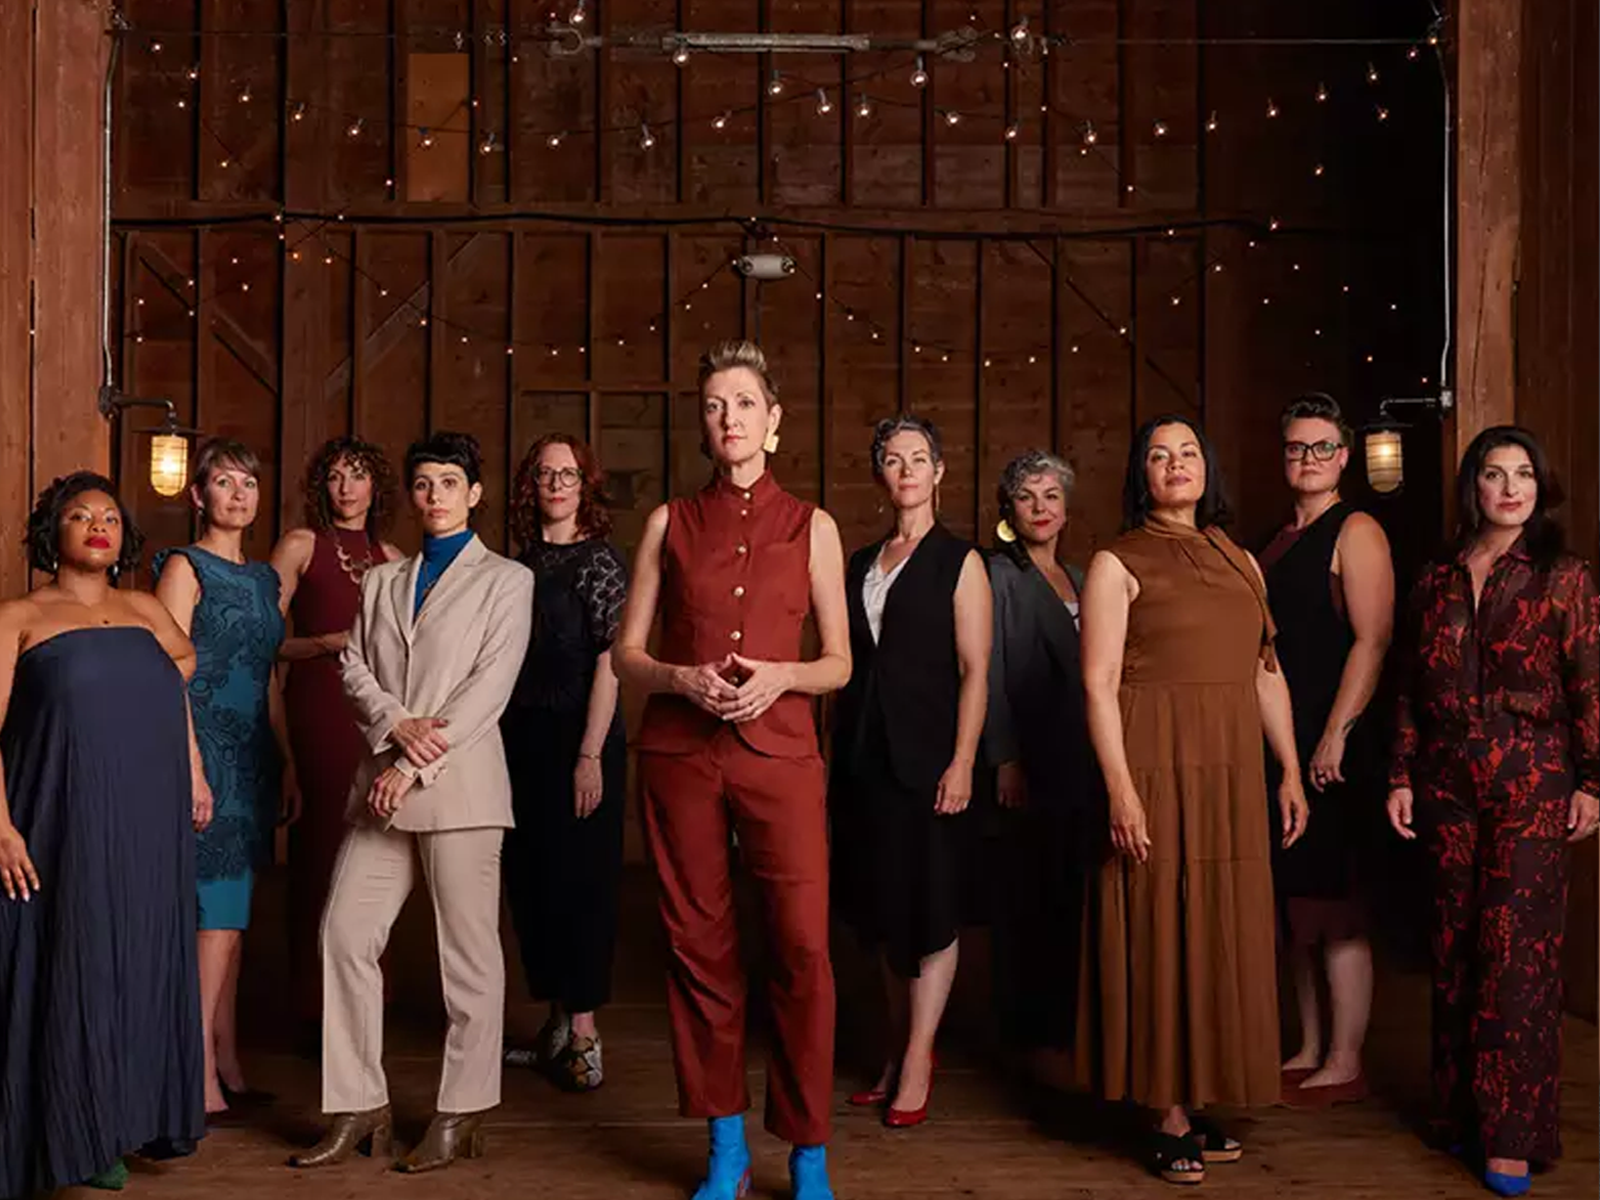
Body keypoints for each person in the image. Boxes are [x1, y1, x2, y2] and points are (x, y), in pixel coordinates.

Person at [613, 339, 850, 1200]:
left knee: (803, 948)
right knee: (699, 947)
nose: (729, 418)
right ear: (704, 426)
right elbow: (627, 655)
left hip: (783, 756)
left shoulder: (813, 526)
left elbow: (839, 663)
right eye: (715, 406)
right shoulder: (667, 523)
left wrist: (782, 677)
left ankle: (808, 1150)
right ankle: (726, 1149)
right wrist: (680, 678)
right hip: (682, 757)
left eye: (745, 403)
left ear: (773, 420)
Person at [1076, 414, 1308, 1185]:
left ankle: (1198, 1088)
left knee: (1217, 923)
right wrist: (1120, 790)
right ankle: (1164, 1110)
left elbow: (1265, 672)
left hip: (1230, 769)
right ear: (1140, 475)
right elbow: (1097, 685)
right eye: (1158, 455)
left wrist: (1289, 769)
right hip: (1154, 760)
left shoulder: (1240, 558)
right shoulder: (1116, 561)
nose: (1175, 464)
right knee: (1157, 923)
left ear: (1207, 468)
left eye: (1187, 453)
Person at [293, 431, 533, 1173]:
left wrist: (410, 762)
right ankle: (358, 1102)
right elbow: (353, 666)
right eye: (424, 483)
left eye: (449, 483)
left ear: (474, 494)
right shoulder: (382, 580)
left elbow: (488, 691)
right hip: (383, 785)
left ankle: (462, 1110)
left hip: (460, 790)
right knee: (344, 935)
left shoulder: (507, 581)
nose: (434, 496)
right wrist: (394, 728)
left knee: (467, 958)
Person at [1387, 425, 1597, 1198]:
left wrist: (1593, 781)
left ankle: (1513, 1136)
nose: (1510, 489)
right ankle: (1458, 1112)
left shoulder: (1563, 576)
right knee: (1453, 947)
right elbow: (1408, 682)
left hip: (1533, 777)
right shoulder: (1435, 576)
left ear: (1541, 487)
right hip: (1446, 778)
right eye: (1494, 474)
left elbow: (1590, 682)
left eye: (1523, 475)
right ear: (1472, 486)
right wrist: (1400, 772)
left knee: (1517, 956)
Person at [0, 473, 210, 1194]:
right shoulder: (19, 616)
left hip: (149, 813)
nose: (99, 525)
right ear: (52, 532)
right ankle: (74, 1133)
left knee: (141, 958)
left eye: (111, 518)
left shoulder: (146, 608)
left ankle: (126, 1120)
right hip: (61, 814)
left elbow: (179, 670)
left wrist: (192, 766)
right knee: (77, 958)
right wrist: (1, 826)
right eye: (81, 515)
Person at [831, 415, 991, 1129]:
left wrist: (963, 761)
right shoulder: (859, 561)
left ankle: (920, 1057)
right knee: (883, 908)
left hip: (931, 761)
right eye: (893, 460)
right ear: (880, 474)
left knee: (929, 908)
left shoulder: (961, 561)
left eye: (918, 459)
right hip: (864, 758)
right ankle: (896, 1053)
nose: (906, 471)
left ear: (939, 471)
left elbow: (976, 669)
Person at [154, 438, 295, 1119]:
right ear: (198, 495)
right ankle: (196, 1074)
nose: (238, 494)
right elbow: (166, 671)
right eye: (224, 482)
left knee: (233, 921)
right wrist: (190, 768)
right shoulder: (185, 566)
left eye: (249, 483)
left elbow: (269, 677)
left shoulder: (265, 581)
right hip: (202, 749)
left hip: (252, 755)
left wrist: (288, 761)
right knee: (214, 915)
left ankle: (228, 1059)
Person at [1261, 395, 1393, 1107]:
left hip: (1335, 741)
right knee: (1298, 906)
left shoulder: (1357, 529)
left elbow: (1372, 640)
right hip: (1285, 739)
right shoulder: (1279, 537)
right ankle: (1310, 1044)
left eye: (1320, 448)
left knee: (1337, 906)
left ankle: (1346, 1058)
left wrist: (1337, 733)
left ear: (1343, 457)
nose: (1307, 459)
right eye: (1295, 448)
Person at [500, 434, 628, 1091]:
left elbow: (611, 660)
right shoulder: (518, 565)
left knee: (582, 882)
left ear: (585, 485)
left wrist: (590, 754)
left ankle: (584, 1032)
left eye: (568, 474)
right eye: (546, 474)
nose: (556, 484)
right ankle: (554, 1019)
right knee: (534, 882)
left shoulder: (600, 560)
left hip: (583, 738)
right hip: (523, 739)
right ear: (532, 485)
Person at [269, 436, 400, 1048]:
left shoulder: (393, 558)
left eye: (358, 475)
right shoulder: (301, 545)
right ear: (321, 486)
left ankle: (365, 1005)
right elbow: (262, 642)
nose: (346, 487)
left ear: (376, 487)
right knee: (319, 854)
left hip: (372, 719)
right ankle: (311, 1007)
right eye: (335, 476)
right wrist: (323, 645)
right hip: (317, 711)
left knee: (374, 856)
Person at [982, 449, 1099, 1055]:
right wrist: (1004, 756)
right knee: (1026, 892)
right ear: (1009, 509)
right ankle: (1025, 1029)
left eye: (1051, 496)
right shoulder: (998, 574)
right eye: (1026, 497)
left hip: (1080, 755)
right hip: (1029, 754)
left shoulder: (1080, 577)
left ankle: (1068, 1022)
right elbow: (990, 670)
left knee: (1070, 888)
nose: (1040, 508)